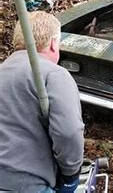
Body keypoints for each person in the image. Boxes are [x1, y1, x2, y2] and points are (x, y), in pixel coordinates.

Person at [0, 11, 84, 192]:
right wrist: (70, 175)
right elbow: (68, 132)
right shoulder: (53, 75)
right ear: (54, 43)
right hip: (26, 183)